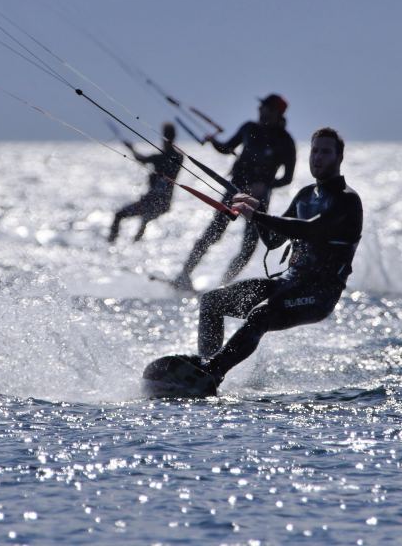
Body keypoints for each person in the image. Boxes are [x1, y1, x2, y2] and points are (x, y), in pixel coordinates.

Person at [195, 127, 362, 385]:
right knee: (212, 303)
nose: (318, 157)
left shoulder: (347, 201)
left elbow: (310, 230)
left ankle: (213, 373)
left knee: (261, 316)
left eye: (326, 152)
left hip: (319, 295)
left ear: (339, 158)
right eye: (315, 151)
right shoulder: (306, 195)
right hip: (286, 284)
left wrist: (258, 215)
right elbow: (274, 240)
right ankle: (201, 368)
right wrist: (255, 208)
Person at [173, 94, 295, 290]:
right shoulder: (249, 128)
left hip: (258, 201)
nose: (259, 110)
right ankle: (183, 276)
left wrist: (266, 185)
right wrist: (213, 141)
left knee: (248, 247)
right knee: (213, 233)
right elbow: (226, 147)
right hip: (235, 190)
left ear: (274, 112)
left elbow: (287, 178)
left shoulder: (285, 141)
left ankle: (223, 285)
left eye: (263, 107)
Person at [108, 123, 183, 243]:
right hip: (164, 203)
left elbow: (140, 159)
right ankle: (134, 244)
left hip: (152, 202)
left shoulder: (160, 157)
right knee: (144, 221)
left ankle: (111, 244)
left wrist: (131, 148)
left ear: (163, 137)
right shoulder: (179, 157)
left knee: (120, 215)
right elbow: (146, 159)